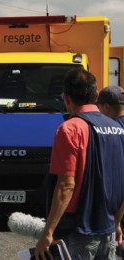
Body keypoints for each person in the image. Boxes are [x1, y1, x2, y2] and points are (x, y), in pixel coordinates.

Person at [34, 68, 124, 260]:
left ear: (66, 98)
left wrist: (47, 232)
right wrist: (116, 223)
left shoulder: (69, 129)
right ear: (96, 95)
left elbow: (66, 186)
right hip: (107, 227)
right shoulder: (118, 129)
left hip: (77, 230)